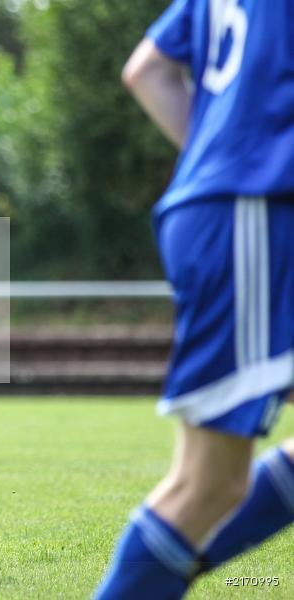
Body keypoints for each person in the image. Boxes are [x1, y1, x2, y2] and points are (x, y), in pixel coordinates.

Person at [95, 1, 294, 598]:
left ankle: (159, 572)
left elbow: (147, 69)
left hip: (242, 202)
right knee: (208, 484)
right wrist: (238, 165)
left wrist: (217, 156)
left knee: (211, 486)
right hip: (257, 211)